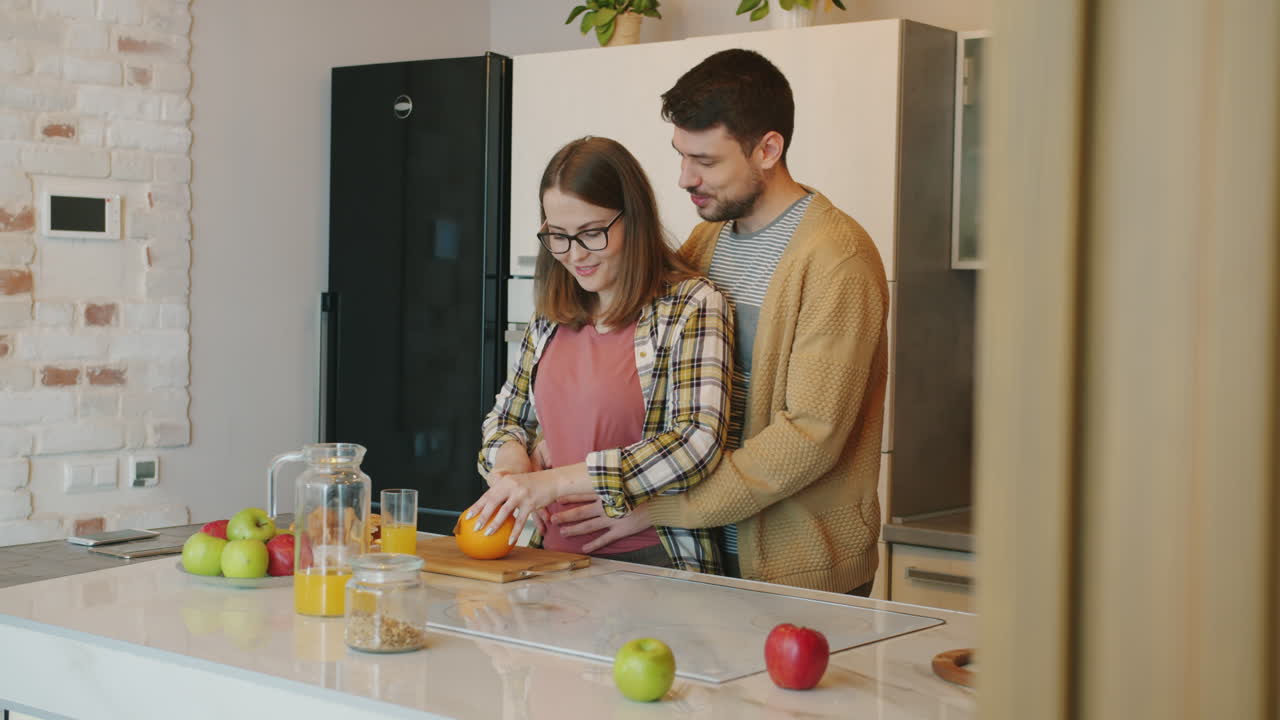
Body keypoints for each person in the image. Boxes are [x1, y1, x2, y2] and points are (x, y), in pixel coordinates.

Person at [551, 49, 890, 596]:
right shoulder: (707, 240)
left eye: (705, 161)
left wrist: (660, 508)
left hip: (795, 568)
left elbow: (809, 437)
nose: (684, 178)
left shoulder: (837, 260)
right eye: (681, 155)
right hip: (702, 554)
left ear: (768, 150)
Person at [468, 136, 732, 573]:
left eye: (592, 233)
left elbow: (695, 442)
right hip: (547, 558)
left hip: (650, 561)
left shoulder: (690, 306)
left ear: (634, 218)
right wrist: (511, 461)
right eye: (558, 236)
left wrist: (554, 482)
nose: (574, 255)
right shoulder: (551, 315)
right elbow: (505, 419)